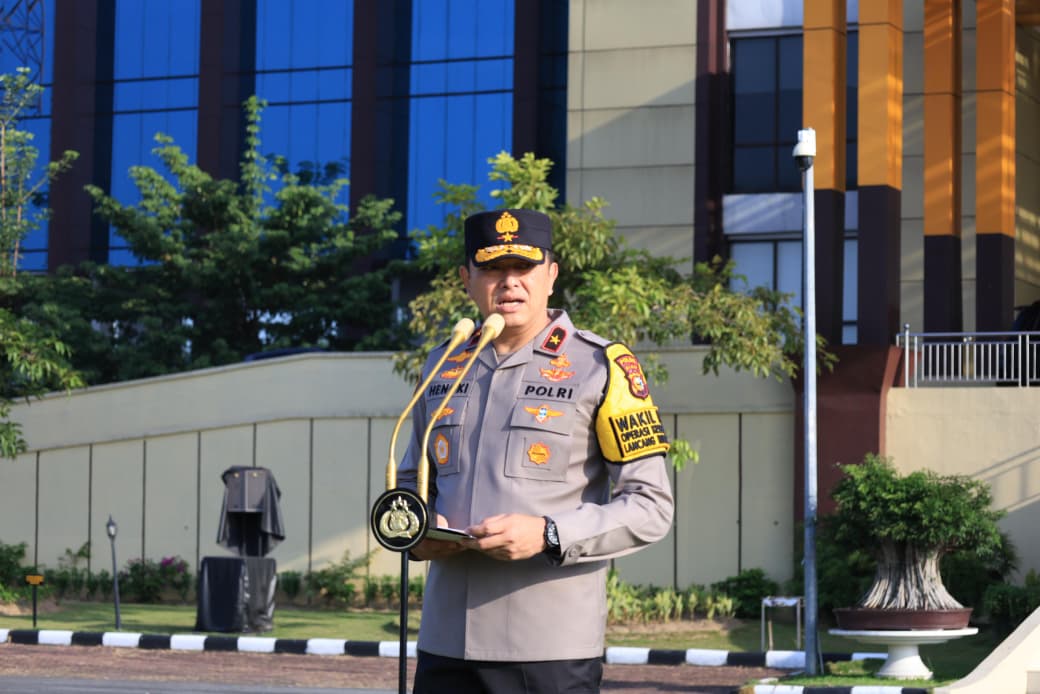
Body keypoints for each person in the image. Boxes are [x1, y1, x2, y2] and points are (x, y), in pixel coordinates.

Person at [397, 208, 674, 694]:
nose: (509, 282)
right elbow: (410, 483)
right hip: (445, 644)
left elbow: (651, 507)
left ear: (551, 275)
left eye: (523, 267)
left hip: (548, 651)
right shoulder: (441, 366)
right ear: (466, 279)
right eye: (492, 269)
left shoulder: (599, 366)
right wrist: (416, 532)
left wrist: (548, 534)